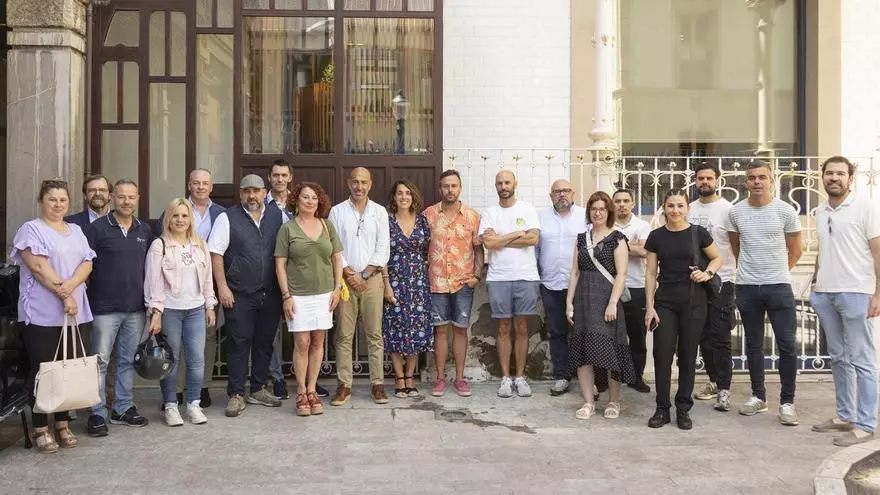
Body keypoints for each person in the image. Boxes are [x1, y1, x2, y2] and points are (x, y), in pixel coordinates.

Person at [10, 179, 95, 453]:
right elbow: (38, 267)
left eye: (62, 200)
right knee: (44, 371)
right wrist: (65, 294)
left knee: (66, 369)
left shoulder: (76, 230)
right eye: (52, 199)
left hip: (74, 312)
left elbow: (87, 263)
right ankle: (40, 428)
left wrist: (70, 287)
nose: (58, 205)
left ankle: (62, 423)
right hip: (42, 313)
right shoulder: (31, 230)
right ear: (41, 201)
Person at [810, 156, 880, 446]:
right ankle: (845, 415)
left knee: (863, 359)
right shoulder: (820, 210)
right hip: (825, 292)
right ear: (823, 177)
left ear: (851, 178)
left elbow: (877, 252)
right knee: (838, 357)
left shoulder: (866, 207)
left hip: (857, 292)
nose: (834, 178)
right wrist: (816, 285)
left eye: (840, 173)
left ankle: (866, 424)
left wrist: (878, 294)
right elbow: (824, 250)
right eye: (829, 173)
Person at [728, 160, 803, 426]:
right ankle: (758, 396)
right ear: (745, 182)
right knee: (753, 344)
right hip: (747, 286)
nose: (757, 181)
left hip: (778, 286)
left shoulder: (785, 211)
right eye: (752, 177)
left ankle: (787, 403)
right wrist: (753, 271)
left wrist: (777, 271)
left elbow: (796, 249)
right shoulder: (736, 212)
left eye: (762, 177)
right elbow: (736, 248)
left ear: (771, 180)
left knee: (787, 345)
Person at [644, 189, 722, 430]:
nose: (675, 210)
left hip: (694, 301)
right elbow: (650, 273)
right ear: (664, 208)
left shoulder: (698, 233)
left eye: (680, 205)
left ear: (688, 208)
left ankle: (683, 408)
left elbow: (717, 258)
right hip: (665, 302)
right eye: (670, 205)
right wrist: (649, 307)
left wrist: (707, 273)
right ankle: (662, 408)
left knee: (688, 355)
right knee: (662, 354)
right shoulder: (656, 236)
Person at [208, 174, 284, 417]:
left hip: (270, 292)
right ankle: (236, 394)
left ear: (264, 192)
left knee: (264, 342)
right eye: (247, 191)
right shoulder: (226, 218)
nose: (252, 196)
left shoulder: (277, 216)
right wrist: (222, 287)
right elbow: (216, 254)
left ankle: (258, 389)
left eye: (256, 191)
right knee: (238, 343)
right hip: (238, 293)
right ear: (240, 193)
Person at [85, 179, 154, 436]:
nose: (126, 201)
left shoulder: (144, 229)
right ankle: (97, 412)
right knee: (100, 361)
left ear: (138, 198)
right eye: (122, 196)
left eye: (131, 197)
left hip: (135, 308)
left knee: (127, 361)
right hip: (104, 308)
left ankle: (122, 408)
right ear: (112, 198)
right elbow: (85, 266)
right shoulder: (97, 228)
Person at [157, 168, 226, 409]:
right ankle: (175, 392)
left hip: (207, 287)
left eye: (205, 183)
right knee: (174, 345)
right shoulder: (175, 210)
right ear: (189, 185)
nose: (200, 187)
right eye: (196, 183)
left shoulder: (221, 214)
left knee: (206, 340)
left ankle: (202, 387)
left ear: (211, 186)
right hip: (174, 294)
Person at [145, 198, 218, 426]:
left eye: (184, 216)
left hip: (195, 309)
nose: (180, 220)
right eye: (175, 215)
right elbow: (153, 282)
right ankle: (171, 405)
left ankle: (194, 404)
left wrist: (210, 305)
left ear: (190, 220)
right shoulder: (160, 245)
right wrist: (156, 312)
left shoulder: (200, 245)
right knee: (171, 360)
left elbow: (208, 279)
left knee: (197, 359)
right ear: (168, 218)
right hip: (171, 311)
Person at [565, 191, 636, 420]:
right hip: (583, 300)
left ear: (609, 212)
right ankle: (588, 402)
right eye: (594, 209)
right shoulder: (581, 239)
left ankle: (614, 400)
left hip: (607, 301)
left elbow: (622, 274)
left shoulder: (617, 238)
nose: (597, 213)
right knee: (583, 351)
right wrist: (569, 302)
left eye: (602, 209)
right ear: (589, 212)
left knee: (611, 351)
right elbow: (574, 273)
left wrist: (613, 303)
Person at [275, 182, 343, 417]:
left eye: (314, 197)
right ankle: (301, 391)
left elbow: (337, 258)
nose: (310, 201)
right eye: (305, 197)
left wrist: (337, 288)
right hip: (298, 295)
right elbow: (280, 264)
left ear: (319, 201)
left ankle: (312, 389)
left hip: (324, 294)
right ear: (296, 200)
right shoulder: (288, 229)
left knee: (318, 341)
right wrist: (286, 296)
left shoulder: (327, 225)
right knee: (302, 343)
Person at [328, 167, 391, 405]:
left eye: (364, 182)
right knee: (344, 335)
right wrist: (349, 273)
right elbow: (333, 246)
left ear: (370, 184)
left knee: (374, 334)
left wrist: (364, 274)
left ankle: (377, 385)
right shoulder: (337, 211)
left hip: (371, 280)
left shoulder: (379, 212)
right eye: (355, 182)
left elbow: (383, 247)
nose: (359, 186)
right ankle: (344, 386)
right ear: (348, 183)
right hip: (345, 281)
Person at [479, 170, 541, 398]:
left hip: (526, 276)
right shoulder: (490, 212)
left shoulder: (528, 209)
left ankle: (520, 377)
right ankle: (506, 378)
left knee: (522, 327)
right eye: (499, 183)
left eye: (507, 182)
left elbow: (533, 239)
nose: (503, 186)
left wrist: (501, 238)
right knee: (503, 328)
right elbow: (489, 244)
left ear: (515, 183)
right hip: (499, 278)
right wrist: (516, 234)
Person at [424, 169, 482, 397]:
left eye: (454, 186)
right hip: (437, 282)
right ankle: (439, 379)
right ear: (440, 188)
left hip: (463, 282)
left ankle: (459, 379)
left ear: (460, 188)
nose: (450, 190)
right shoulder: (428, 215)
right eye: (446, 186)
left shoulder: (472, 216)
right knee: (439, 331)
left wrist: (477, 276)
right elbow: (421, 246)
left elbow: (478, 248)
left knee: (460, 330)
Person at [687, 163, 738, 411]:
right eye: (700, 178)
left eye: (709, 178)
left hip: (722, 281)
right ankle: (714, 381)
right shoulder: (689, 209)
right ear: (695, 181)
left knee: (720, 336)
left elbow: (737, 246)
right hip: (695, 282)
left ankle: (725, 389)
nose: (704, 182)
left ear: (717, 181)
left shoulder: (728, 210)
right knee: (702, 336)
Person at [382, 180, 433, 399]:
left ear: (413, 197)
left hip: (418, 283)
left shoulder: (422, 221)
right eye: (400, 193)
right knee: (395, 329)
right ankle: (399, 376)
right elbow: (382, 254)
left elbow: (428, 250)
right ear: (394, 197)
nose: (404, 197)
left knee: (415, 330)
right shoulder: (386, 221)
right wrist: (386, 285)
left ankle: (410, 376)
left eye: (408, 193)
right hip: (394, 281)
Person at [537, 179, 587, 396]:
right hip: (550, 283)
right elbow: (535, 249)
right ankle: (562, 376)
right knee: (557, 332)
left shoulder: (585, 216)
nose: (562, 195)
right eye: (557, 191)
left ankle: (588, 380)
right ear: (551, 196)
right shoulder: (541, 218)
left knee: (583, 332)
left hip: (580, 284)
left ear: (573, 193)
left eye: (565, 190)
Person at [264, 159, 304, 400]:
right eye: (276, 175)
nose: (280, 179)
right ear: (269, 177)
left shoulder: (298, 203)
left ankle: (306, 381)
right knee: (271, 331)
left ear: (290, 178)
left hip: (298, 275)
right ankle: (277, 378)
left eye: (284, 175)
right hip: (269, 275)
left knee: (303, 329)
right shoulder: (261, 203)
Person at [611, 189, 653, 394]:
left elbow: (646, 252)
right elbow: (601, 250)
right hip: (611, 288)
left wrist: (618, 245)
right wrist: (632, 245)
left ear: (633, 204)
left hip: (636, 286)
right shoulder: (606, 224)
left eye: (626, 201)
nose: (622, 204)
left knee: (637, 336)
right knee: (611, 336)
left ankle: (636, 377)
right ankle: (613, 377)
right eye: (618, 201)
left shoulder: (643, 226)